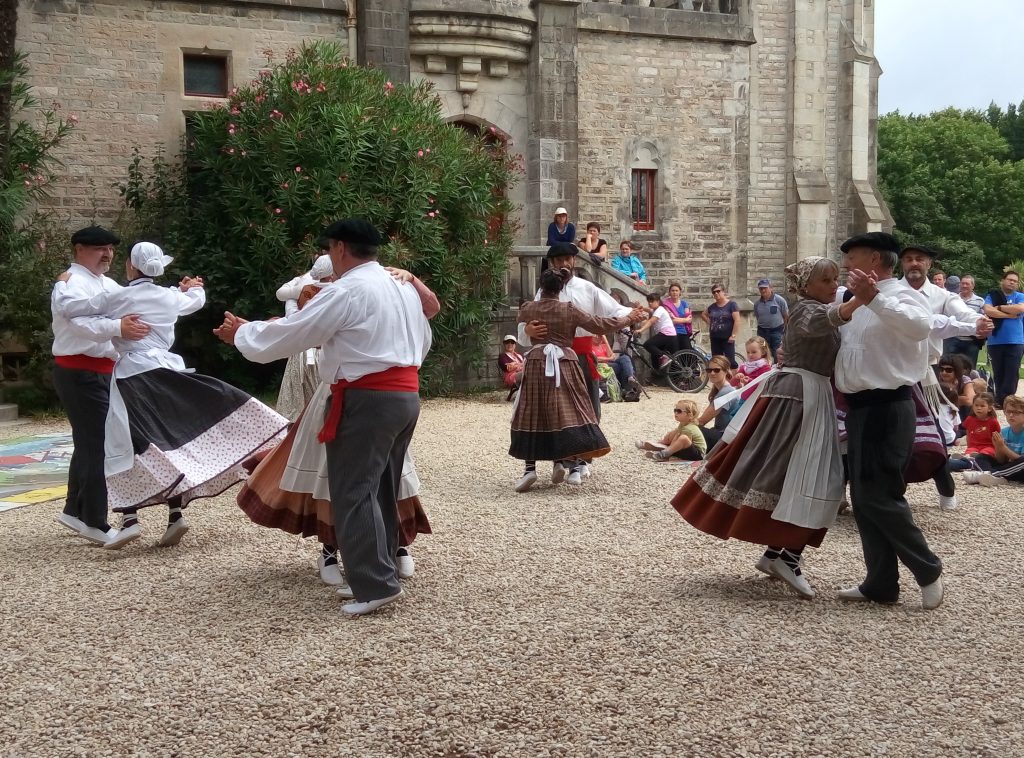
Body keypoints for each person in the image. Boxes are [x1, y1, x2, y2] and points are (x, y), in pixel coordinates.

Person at [214, 218, 433, 617]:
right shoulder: (400, 287)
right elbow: (424, 336)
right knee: (380, 488)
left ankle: (375, 583)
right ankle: (380, 571)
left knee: (354, 489)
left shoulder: (348, 290)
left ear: (341, 248)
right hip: (404, 394)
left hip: (366, 398)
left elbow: (297, 333)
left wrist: (242, 335)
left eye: (331, 247)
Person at [53, 242, 290, 549]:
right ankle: (175, 515)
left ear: (131, 266)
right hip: (167, 371)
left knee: (125, 443)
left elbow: (73, 309)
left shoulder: (121, 296)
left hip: (133, 375)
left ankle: (130, 519)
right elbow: (195, 300)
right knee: (170, 441)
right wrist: (194, 287)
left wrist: (64, 287)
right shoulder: (167, 296)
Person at [672, 256, 864, 600]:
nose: (834, 285)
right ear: (805, 285)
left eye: (835, 279)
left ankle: (780, 553)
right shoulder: (806, 309)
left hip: (809, 393)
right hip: (799, 396)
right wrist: (862, 299)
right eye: (826, 280)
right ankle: (785, 556)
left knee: (804, 472)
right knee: (803, 470)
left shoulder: (812, 308)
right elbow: (830, 318)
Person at [237, 267, 440, 587]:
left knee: (390, 471)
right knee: (332, 473)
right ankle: (330, 549)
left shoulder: (385, 287)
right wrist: (252, 331)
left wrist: (413, 278)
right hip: (337, 391)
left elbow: (430, 308)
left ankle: (396, 544)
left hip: (378, 394)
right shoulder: (329, 294)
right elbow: (299, 331)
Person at [834, 231, 944, 610]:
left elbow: (920, 327)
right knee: (863, 497)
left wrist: (875, 299)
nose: (846, 264)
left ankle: (927, 567)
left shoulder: (903, 296)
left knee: (880, 495)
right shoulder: (852, 300)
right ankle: (880, 583)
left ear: (875, 260)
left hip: (888, 405)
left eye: (853, 257)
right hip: (859, 408)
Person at [50, 225, 150, 546]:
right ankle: (93, 520)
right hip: (79, 370)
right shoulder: (70, 283)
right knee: (98, 443)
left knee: (90, 440)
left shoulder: (106, 283)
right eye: (99, 249)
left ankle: (74, 510)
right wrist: (118, 326)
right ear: (79, 249)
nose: (107, 254)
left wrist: (181, 294)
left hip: (104, 370)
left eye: (110, 249)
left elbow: (138, 301)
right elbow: (80, 324)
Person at [510, 268, 638, 490]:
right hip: (565, 362)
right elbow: (600, 324)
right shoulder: (569, 309)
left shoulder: (529, 308)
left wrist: (529, 328)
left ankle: (530, 469)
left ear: (541, 287)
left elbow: (521, 326)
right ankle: (572, 464)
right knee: (572, 410)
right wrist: (628, 318)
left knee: (532, 410)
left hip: (537, 361)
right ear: (560, 289)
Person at [899, 244, 993, 510]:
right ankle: (891, 491)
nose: (914, 263)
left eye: (919, 259)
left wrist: (978, 322)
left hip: (926, 372)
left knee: (933, 432)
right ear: (901, 264)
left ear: (929, 264)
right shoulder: (891, 291)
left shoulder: (942, 296)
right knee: (893, 431)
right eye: (908, 259)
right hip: (893, 369)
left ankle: (946, 490)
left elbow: (962, 313)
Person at [519, 243, 645, 428]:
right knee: (556, 406)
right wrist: (527, 331)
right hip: (553, 358)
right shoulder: (544, 292)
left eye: (567, 259)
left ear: (574, 260)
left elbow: (612, 309)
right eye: (559, 260)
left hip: (582, 355)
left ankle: (589, 439)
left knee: (590, 403)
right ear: (552, 263)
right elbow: (527, 321)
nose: (564, 263)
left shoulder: (587, 288)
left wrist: (631, 314)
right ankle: (561, 441)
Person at [275, 253, 336, 421]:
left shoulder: (304, 288)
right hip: (323, 350)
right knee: (322, 403)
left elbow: (285, 300)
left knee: (298, 403)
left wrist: (293, 296)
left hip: (302, 349)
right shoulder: (337, 290)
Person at [983, 270, 1024, 407]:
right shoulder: (992, 296)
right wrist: (1009, 315)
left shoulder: (1020, 296)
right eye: (1009, 279)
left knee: (1011, 372)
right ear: (1003, 280)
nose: (1012, 282)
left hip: (1015, 341)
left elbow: (1020, 309)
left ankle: (1008, 401)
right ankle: (1000, 400)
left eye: (1015, 281)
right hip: (995, 341)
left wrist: (1000, 307)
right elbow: (988, 310)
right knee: (998, 372)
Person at [962, 394, 1024, 485]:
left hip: (1020, 469)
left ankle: (991, 474)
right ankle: (994, 476)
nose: (1011, 415)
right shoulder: (1004, 432)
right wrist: (998, 447)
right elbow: (1001, 460)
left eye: (1016, 412)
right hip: (1009, 468)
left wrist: (1003, 448)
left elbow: (1020, 459)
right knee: (980, 457)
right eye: (1008, 411)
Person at [636, 399, 706, 462]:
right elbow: (676, 437)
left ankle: (664, 453)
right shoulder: (682, 424)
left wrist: (672, 449)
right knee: (675, 434)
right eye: (675, 410)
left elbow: (686, 444)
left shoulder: (689, 428)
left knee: (683, 438)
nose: (675, 413)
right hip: (689, 451)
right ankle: (663, 448)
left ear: (690, 415)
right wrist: (671, 444)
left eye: (679, 411)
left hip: (697, 455)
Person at [948, 392, 1002, 472]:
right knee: (970, 452)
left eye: (982, 406)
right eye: (976, 405)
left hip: (988, 446)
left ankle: (968, 461)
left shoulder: (993, 422)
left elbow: (997, 437)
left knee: (984, 454)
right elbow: (968, 434)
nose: (978, 408)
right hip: (974, 446)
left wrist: (997, 452)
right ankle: (968, 460)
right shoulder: (970, 419)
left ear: (989, 408)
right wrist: (969, 447)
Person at [694, 355, 739, 449]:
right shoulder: (724, 389)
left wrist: (682, 428)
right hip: (723, 435)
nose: (712, 373)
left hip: (724, 438)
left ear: (726, 371)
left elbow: (702, 421)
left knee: (689, 430)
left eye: (717, 370)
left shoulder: (726, 392)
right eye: (709, 370)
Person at [944, 274, 987, 367]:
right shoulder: (952, 298)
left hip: (971, 341)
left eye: (967, 284)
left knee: (969, 368)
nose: (964, 286)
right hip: (953, 338)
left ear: (973, 286)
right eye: (962, 283)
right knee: (949, 366)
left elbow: (983, 318)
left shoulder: (980, 301)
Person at [701, 284, 740, 369]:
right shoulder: (712, 307)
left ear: (723, 292)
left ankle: (733, 377)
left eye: (718, 291)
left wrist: (733, 335)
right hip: (715, 338)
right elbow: (703, 314)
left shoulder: (732, 305)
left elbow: (737, 320)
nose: (716, 293)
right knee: (717, 362)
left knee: (730, 362)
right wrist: (709, 322)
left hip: (727, 338)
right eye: (714, 292)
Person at [638, 292, 678, 370]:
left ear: (658, 301)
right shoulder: (655, 310)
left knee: (647, 344)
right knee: (654, 355)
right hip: (666, 334)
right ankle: (657, 373)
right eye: (648, 301)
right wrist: (642, 308)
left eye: (652, 301)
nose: (650, 303)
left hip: (667, 334)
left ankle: (664, 357)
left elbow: (651, 321)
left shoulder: (660, 310)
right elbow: (649, 310)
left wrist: (640, 330)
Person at [753, 278, 788, 363]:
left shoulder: (779, 300)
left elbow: (786, 316)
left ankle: (777, 368)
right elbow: (758, 316)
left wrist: (785, 330)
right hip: (762, 332)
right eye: (761, 288)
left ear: (771, 288)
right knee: (763, 352)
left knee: (777, 352)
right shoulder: (757, 304)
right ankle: (764, 368)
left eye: (765, 288)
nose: (763, 290)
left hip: (776, 331)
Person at [663, 283, 693, 351]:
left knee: (688, 353)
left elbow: (689, 319)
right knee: (675, 353)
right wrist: (685, 320)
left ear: (680, 292)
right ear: (669, 292)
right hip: (671, 333)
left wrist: (677, 319)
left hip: (683, 332)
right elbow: (671, 320)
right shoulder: (666, 304)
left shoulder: (684, 303)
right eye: (672, 290)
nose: (674, 292)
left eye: (676, 290)